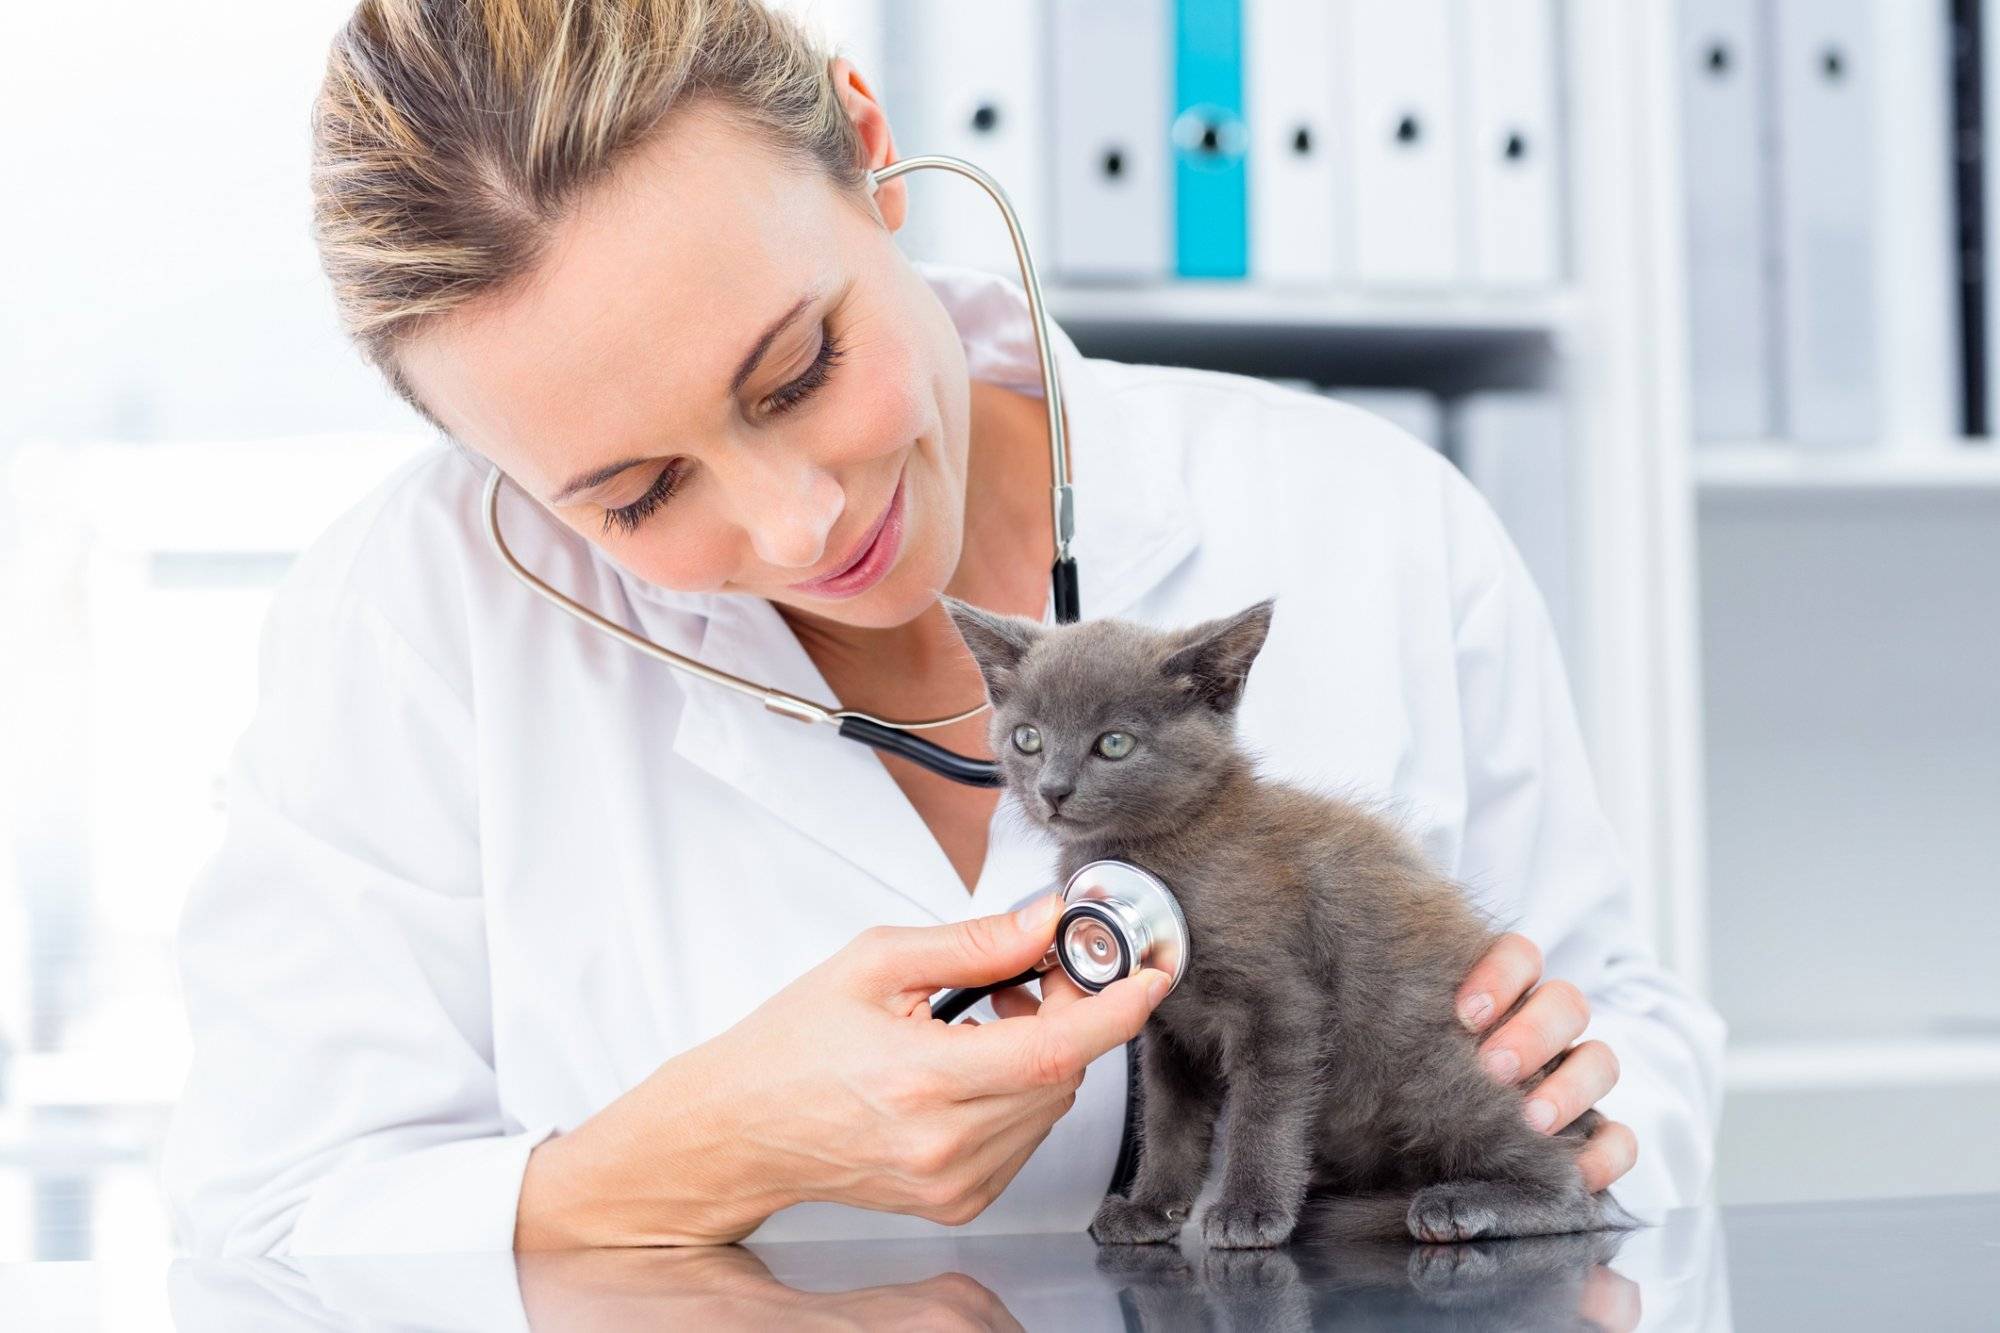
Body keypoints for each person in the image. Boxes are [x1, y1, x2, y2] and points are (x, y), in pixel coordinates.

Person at [160, 0, 1724, 1257]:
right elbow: (265, 1221)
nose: (798, 526)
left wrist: (1580, 1098)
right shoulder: (411, 620)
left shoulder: (1365, 510)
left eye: (796, 372)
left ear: (867, 145)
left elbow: (1629, 1041)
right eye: (637, 496)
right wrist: (697, 1153)